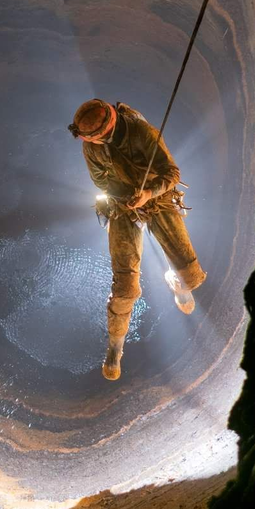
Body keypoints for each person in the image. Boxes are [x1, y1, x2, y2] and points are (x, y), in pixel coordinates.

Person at [69, 98, 207, 381]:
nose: (91, 144)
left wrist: (147, 193)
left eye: (94, 139)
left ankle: (178, 284)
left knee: (191, 276)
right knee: (125, 290)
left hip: (157, 198)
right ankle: (115, 347)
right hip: (122, 206)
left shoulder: (144, 134)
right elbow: (101, 182)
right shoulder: (90, 148)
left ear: (106, 131)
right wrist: (126, 197)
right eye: (88, 140)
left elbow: (172, 173)